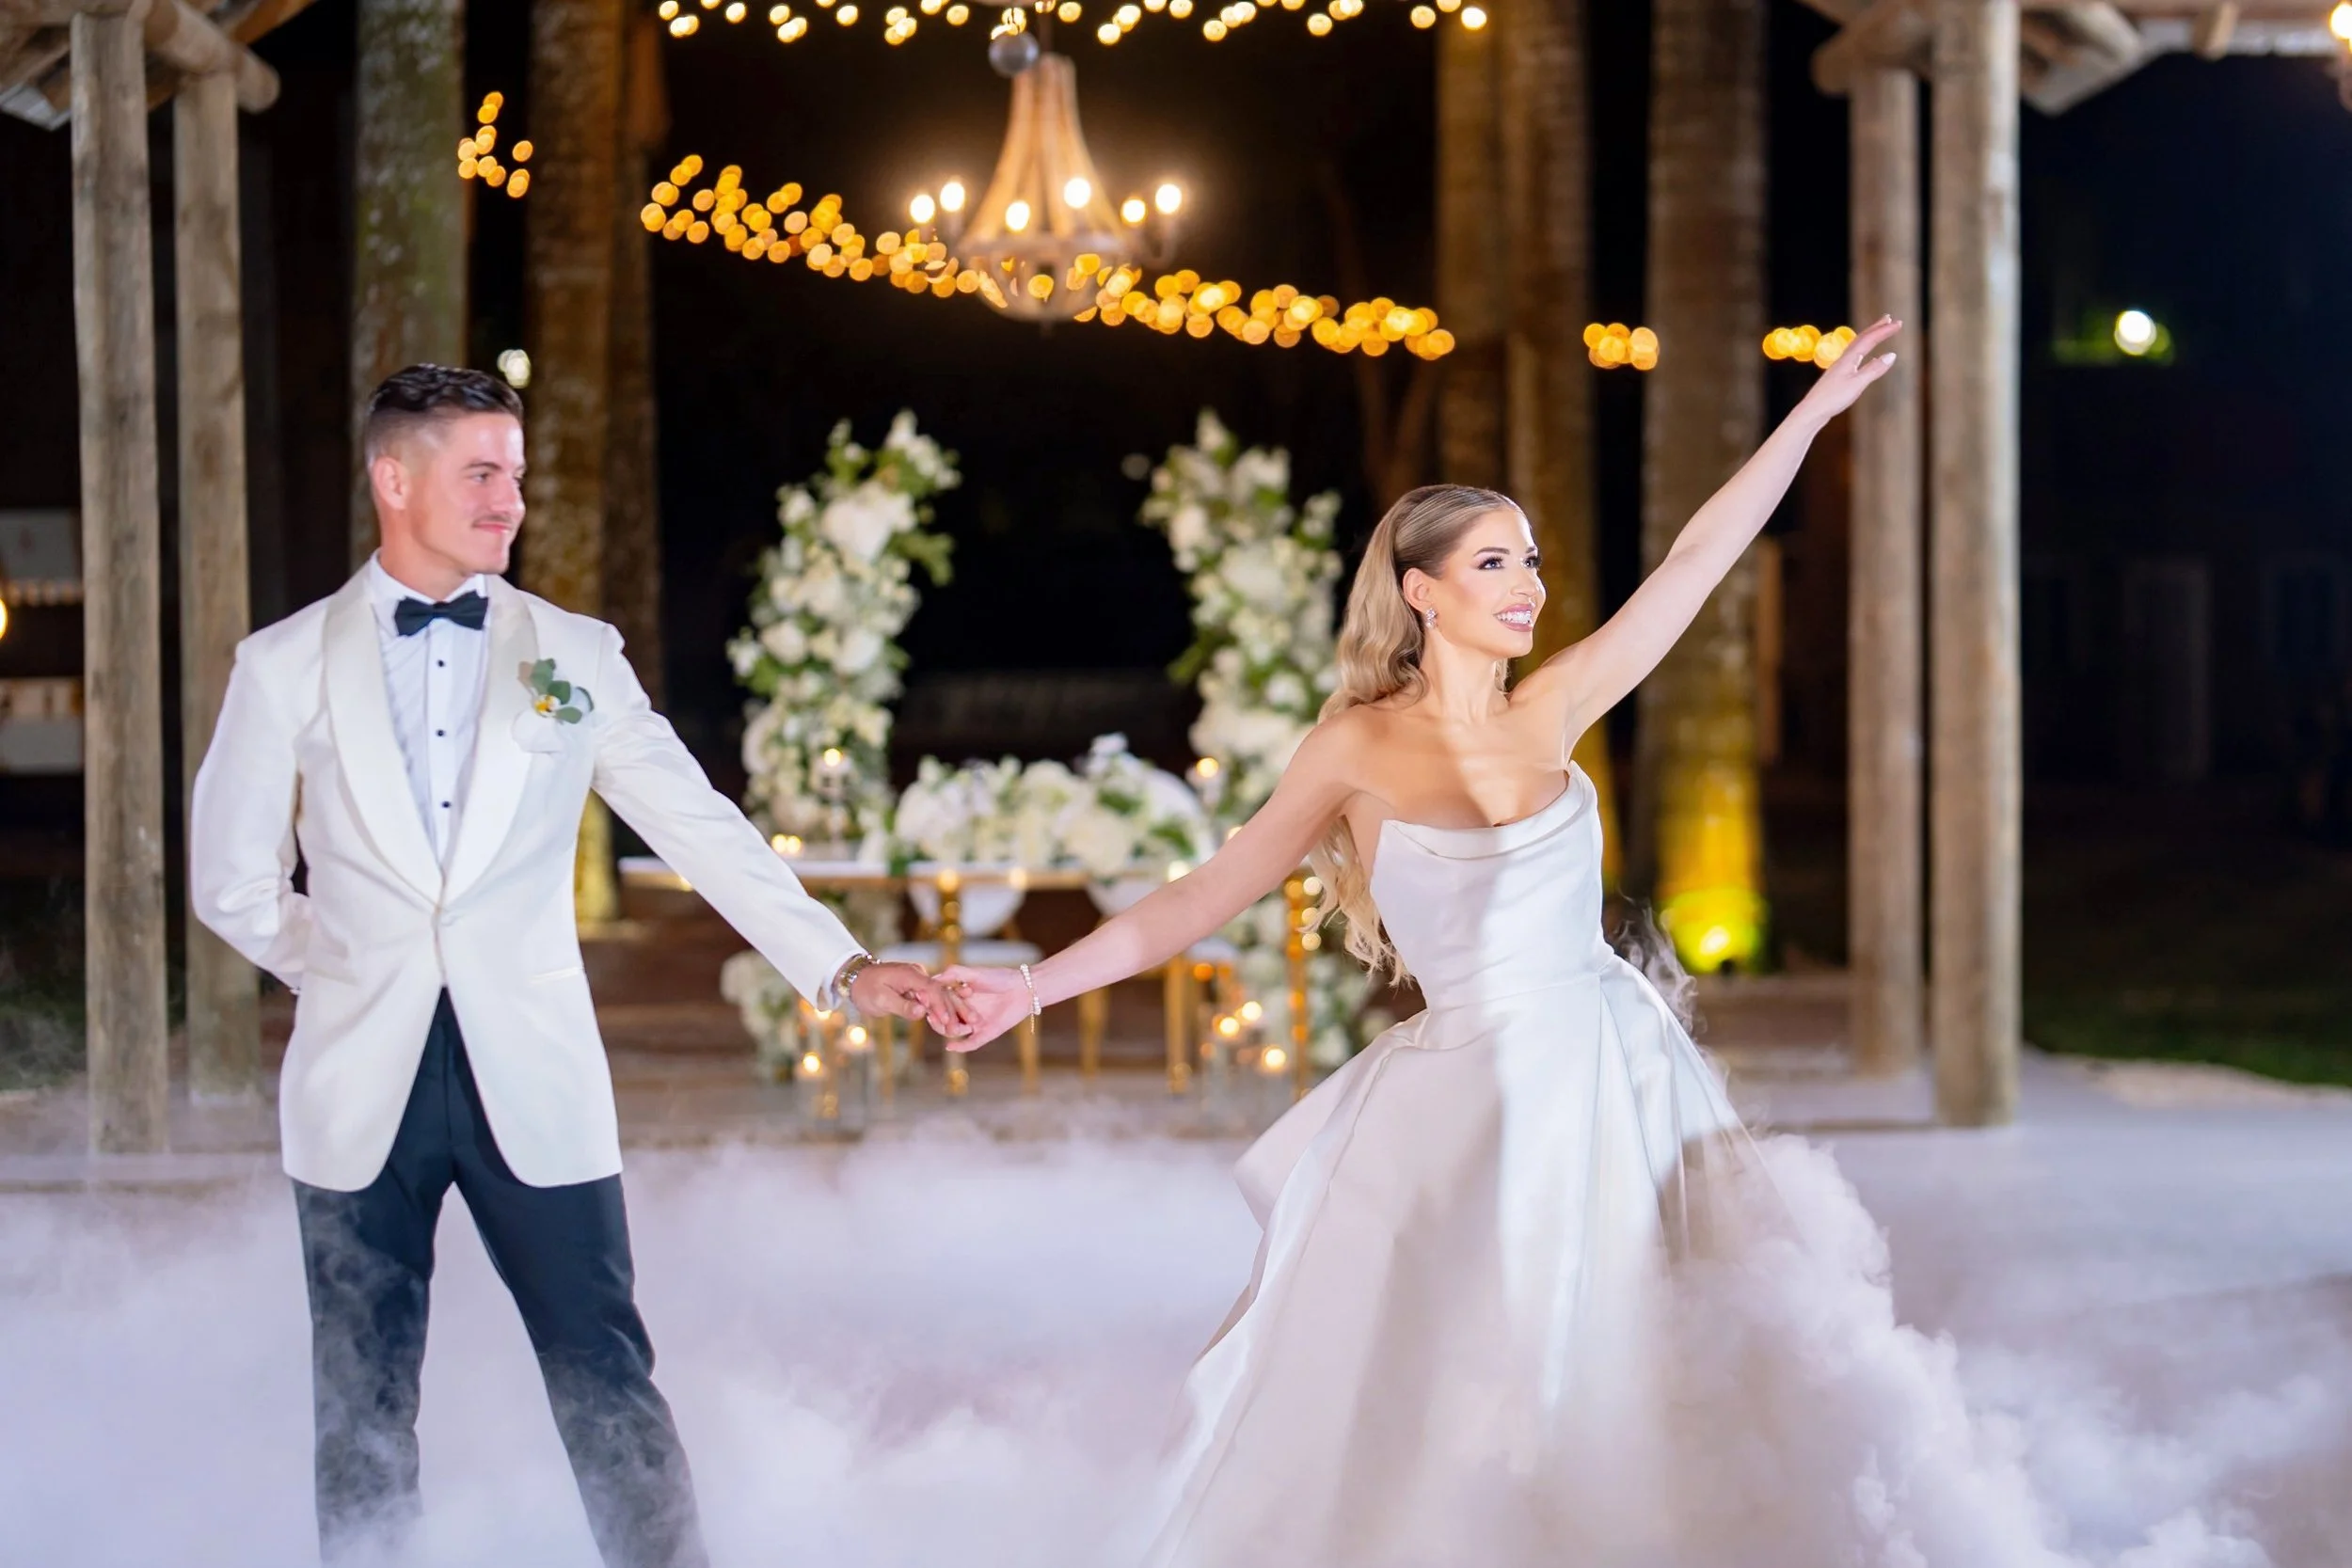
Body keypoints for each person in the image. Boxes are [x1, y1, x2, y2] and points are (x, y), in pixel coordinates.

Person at [945, 320, 2152, 1565]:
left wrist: (1810, 415)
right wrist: (1026, 984)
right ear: (1421, 589)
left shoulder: (1554, 704)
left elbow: (1696, 558)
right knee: (1482, 1371)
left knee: (1658, 1353)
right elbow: (1201, 895)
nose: (1527, 581)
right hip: (1469, 1106)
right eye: (1492, 561)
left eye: (1531, 557)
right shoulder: (1354, 746)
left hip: (1615, 1074)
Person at [189, 365, 970, 1567]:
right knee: (361, 1395)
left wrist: (841, 966)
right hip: (358, 1082)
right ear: (393, 478)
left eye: (514, 474)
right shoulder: (282, 663)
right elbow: (231, 882)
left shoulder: (576, 653)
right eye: (481, 474)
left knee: (604, 1365)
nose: (509, 501)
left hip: (535, 1072)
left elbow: (701, 825)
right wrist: (339, 963)